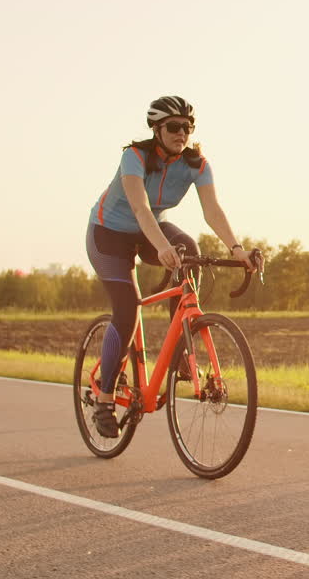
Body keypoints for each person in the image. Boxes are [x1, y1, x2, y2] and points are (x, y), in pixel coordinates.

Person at [84, 96, 258, 438]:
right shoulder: (134, 157)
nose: (183, 133)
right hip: (109, 234)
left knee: (189, 249)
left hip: (150, 230)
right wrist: (162, 247)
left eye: (188, 127)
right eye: (174, 127)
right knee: (126, 309)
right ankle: (104, 397)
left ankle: (180, 348)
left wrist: (236, 250)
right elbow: (140, 208)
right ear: (157, 129)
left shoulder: (196, 164)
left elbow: (212, 211)